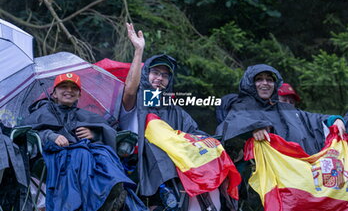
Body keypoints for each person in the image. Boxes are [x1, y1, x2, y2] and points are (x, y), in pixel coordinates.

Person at [119, 23, 235, 210]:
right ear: (146, 74)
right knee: (154, 140)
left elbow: (194, 131)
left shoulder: (172, 107)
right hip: (140, 158)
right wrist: (138, 51)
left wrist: (208, 140)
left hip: (181, 160)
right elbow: (130, 89)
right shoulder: (137, 99)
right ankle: (165, 189)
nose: (160, 78)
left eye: (165, 75)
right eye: (155, 73)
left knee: (212, 148)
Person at [25, 72, 135, 211]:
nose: (69, 91)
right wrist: (50, 135)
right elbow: (26, 132)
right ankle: (89, 204)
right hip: (51, 156)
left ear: (79, 95)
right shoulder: (41, 113)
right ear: (54, 94)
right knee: (80, 154)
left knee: (104, 154)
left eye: (74, 88)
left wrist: (94, 133)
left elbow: (108, 130)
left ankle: (112, 191)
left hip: (86, 152)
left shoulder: (85, 114)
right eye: (63, 86)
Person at [216, 64, 345, 155]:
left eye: (269, 80)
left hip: (292, 174)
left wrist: (334, 120)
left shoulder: (283, 108)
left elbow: (309, 118)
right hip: (258, 181)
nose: (265, 83)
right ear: (250, 84)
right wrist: (253, 128)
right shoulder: (241, 106)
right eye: (259, 79)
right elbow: (233, 124)